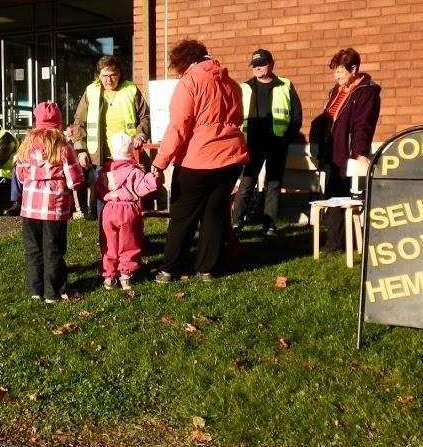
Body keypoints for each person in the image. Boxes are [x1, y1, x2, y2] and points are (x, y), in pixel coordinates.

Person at [150, 40, 248, 282]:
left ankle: (170, 269)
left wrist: (160, 161)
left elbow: (179, 125)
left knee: (183, 217)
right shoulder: (231, 83)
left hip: (198, 159)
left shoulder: (190, 81)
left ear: (184, 61)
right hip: (231, 157)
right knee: (215, 214)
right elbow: (238, 118)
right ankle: (207, 269)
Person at [313, 47, 381, 252]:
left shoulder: (366, 92)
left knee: (345, 196)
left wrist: (360, 153)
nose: (336, 76)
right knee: (333, 196)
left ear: (354, 69)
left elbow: (363, 125)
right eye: (335, 71)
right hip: (332, 151)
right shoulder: (337, 90)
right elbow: (327, 118)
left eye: (340, 72)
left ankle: (339, 243)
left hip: (349, 153)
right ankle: (335, 242)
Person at [15, 102, 83, 303]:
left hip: (30, 207)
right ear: (58, 122)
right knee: (53, 249)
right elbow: (74, 178)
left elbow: (19, 175)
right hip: (55, 207)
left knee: (33, 249)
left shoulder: (27, 144)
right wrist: (75, 184)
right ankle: (52, 292)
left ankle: (35, 291)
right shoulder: (63, 145)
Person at [232, 48, 303, 236]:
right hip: (251, 144)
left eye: (261, 64)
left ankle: (270, 224)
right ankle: (236, 223)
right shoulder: (244, 87)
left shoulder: (285, 85)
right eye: (254, 65)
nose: (257, 68)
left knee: (273, 184)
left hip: (277, 144)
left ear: (271, 64)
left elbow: (297, 115)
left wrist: (287, 137)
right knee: (246, 183)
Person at [70, 56, 151, 219]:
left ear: (120, 74)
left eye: (113, 75)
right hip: (100, 156)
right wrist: (81, 150)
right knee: (103, 196)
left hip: (127, 156)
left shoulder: (131, 90)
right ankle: (105, 239)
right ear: (98, 75)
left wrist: (141, 134)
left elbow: (146, 117)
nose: (109, 79)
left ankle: (130, 234)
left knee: (129, 195)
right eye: (104, 75)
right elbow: (79, 122)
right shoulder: (91, 91)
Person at [94, 132, 160, 290]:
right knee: (129, 242)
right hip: (128, 209)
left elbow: (97, 191)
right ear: (130, 151)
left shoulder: (104, 171)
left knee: (108, 244)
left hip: (108, 209)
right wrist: (153, 177)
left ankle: (109, 277)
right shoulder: (134, 171)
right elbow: (142, 188)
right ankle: (126, 276)